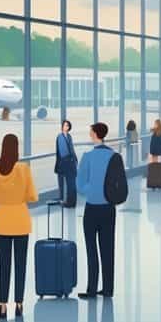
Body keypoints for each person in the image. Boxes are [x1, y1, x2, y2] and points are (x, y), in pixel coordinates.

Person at [0, 133, 39, 319]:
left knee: (4, 264)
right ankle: (19, 303)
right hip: (21, 221)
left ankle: (2, 305)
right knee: (20, 264)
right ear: (16, 148)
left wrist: (2, 198)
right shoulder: (24, 169)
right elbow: (33, 196)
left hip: (2, 221)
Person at [76, 122, 117, 300]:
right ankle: (108, 289)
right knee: (108, 248)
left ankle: (92, 288)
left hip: (92, 208)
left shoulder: (88, 157)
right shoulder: (114, 156)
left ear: (94, 135)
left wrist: (91, 191)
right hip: (109, 207)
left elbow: (79, 184)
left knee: (91, 249)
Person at [55, 120, 78, 208]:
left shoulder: (69, 136)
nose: (65, 127)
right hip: (65, 162)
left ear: (69, 127)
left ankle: (72, 202)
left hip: (70, 162)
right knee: (69, 183)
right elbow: (62, 152)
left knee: (71, 183)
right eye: (64, 125)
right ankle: (68, 202)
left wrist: (75, 159)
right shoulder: (60, 137)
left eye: (67, 125)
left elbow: (71, 149)